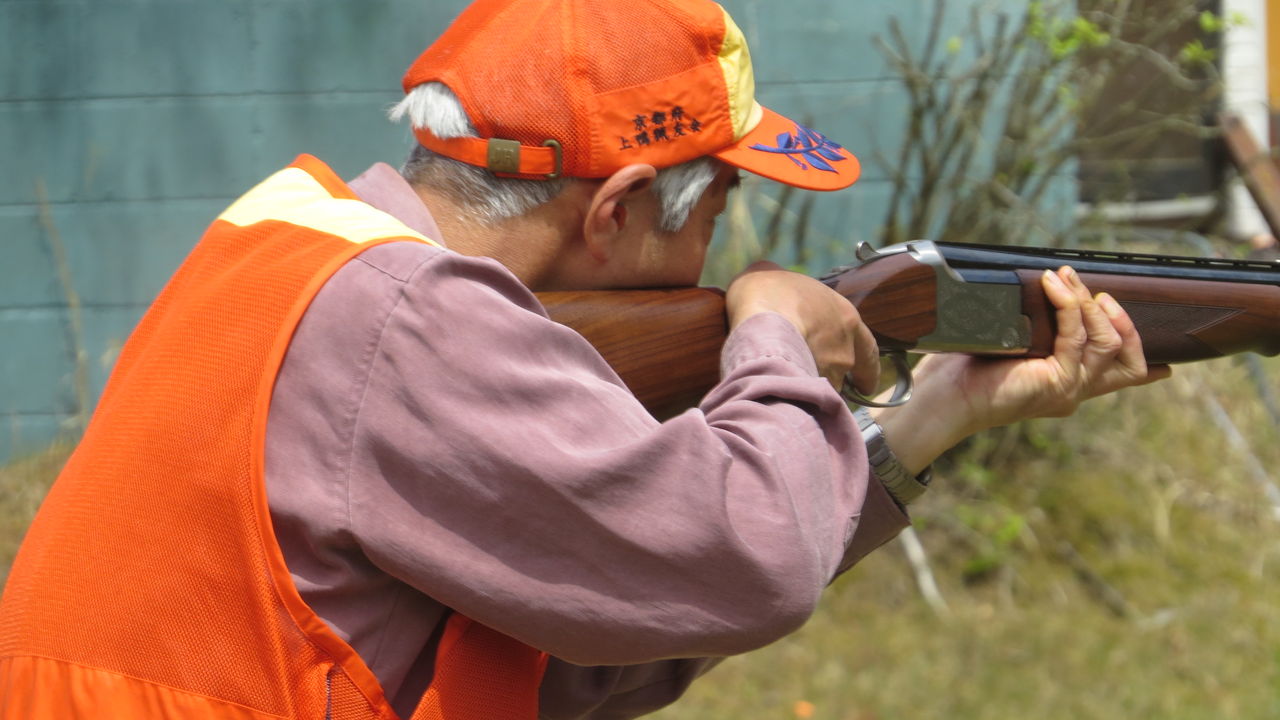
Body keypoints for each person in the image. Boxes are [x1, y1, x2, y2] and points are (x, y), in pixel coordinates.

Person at [0, 1, 1169, 718]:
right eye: (720, 207)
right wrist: (770, 337)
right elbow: (740, 562)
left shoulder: (294, 237)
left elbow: (575, 643)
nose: (735, 247)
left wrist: (929, 422)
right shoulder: (411, 319)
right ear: (614, 209)